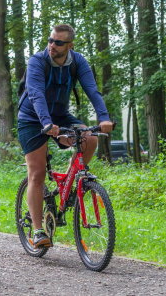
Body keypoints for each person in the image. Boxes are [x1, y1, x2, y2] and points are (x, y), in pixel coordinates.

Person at [17, 23, 114, 248]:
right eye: (50, 40)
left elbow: (92, 89)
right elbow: (36, 94)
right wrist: (47, 124)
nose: (52, 45)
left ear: (69, 45)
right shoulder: (37, 61)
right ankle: (39, 230)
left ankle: (70, 182)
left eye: (58, 42)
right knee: (37, 172)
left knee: (90, 138)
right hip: (32, 118)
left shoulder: (78, 61)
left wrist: (104, 118)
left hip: (59, 115)